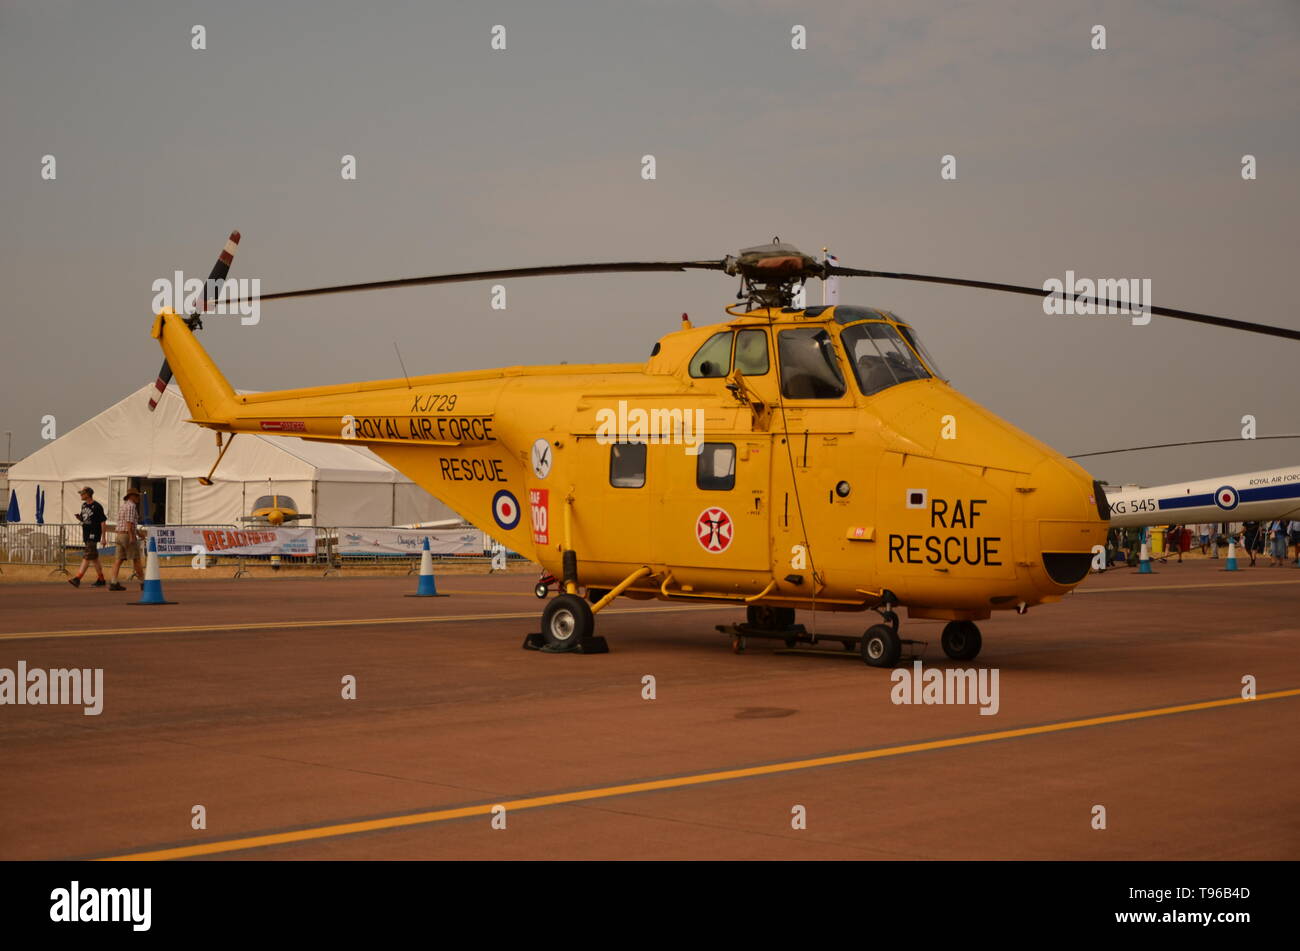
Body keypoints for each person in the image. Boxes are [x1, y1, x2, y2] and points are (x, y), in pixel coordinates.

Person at [68, 486, 107, 587]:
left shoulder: (97, 506)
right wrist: (79, 518)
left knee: (87, 555)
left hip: (93, 534)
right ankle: (101, 579)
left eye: (82, 493)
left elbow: (103, 521)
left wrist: (103, 537)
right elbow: (85, 519)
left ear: (88, 494)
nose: (81, 495)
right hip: (86, 533)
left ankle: (78, 578)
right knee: (94, 558)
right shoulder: (84, 505)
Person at [108, 488, 146, 591]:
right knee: (136, 559)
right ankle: (143, 582)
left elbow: (128, 522)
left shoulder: (124, 505)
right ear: (132, 496)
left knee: (118, 560)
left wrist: (138, 533)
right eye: (137, 496)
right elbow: (129, 523)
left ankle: (113, 582)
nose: (138, 498)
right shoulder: (131, 506)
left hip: (119, 534)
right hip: (126, 535)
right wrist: (132, 536)